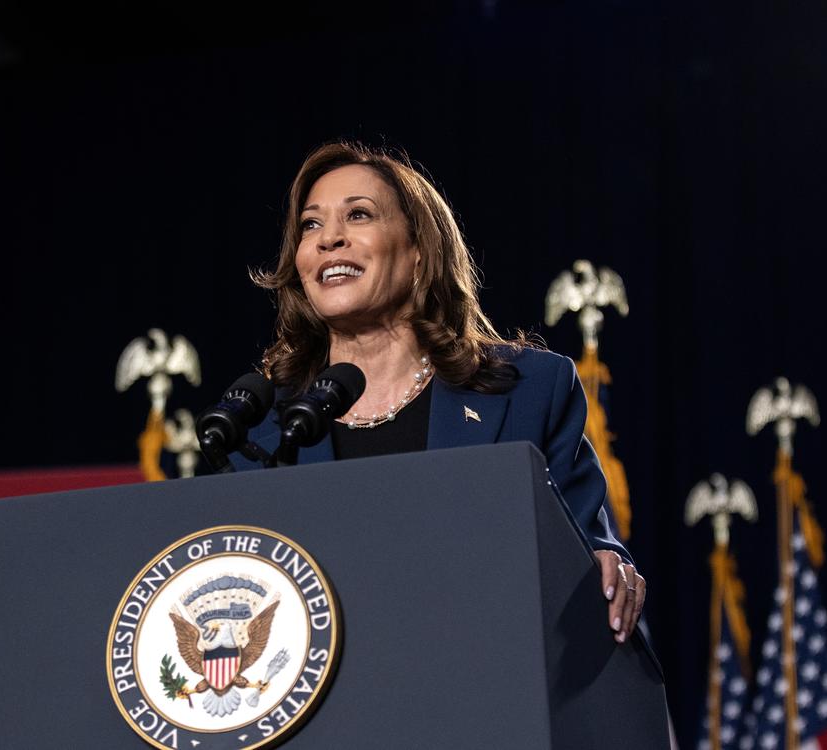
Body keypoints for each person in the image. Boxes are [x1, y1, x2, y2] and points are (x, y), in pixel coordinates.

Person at [232, 140, 646, 644]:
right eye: (310, 225)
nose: (328, 239)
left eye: (358, 215)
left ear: (419, 253)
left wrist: (610, 566)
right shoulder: (260, 426)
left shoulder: (530, 392)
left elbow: (583, 545)